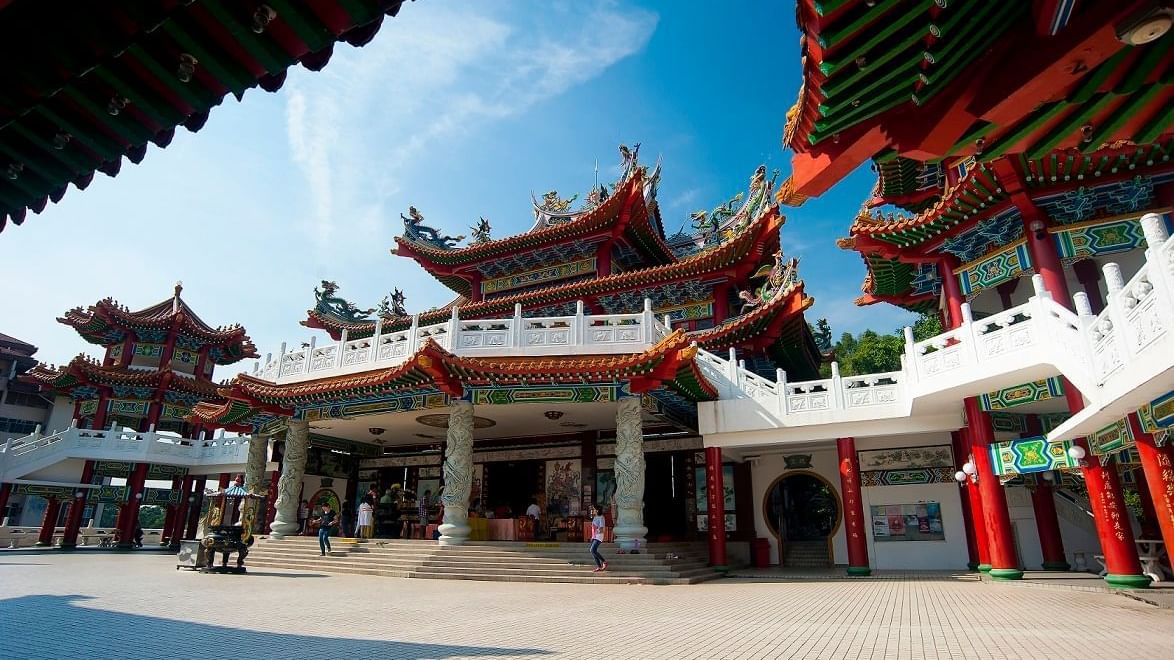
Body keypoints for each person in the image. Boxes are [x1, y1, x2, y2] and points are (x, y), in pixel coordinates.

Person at [587, 504, 607, 572]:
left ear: (597, 510)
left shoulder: (601, 517)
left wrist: (597, 530)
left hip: (599, 536)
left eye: (594, 509)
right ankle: (599, 566)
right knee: (593, 551)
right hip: (594, 536)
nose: (593, 511)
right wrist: (592, 536)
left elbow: (602, 528)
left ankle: (604, 562)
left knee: (592, 550)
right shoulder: (595, 517)